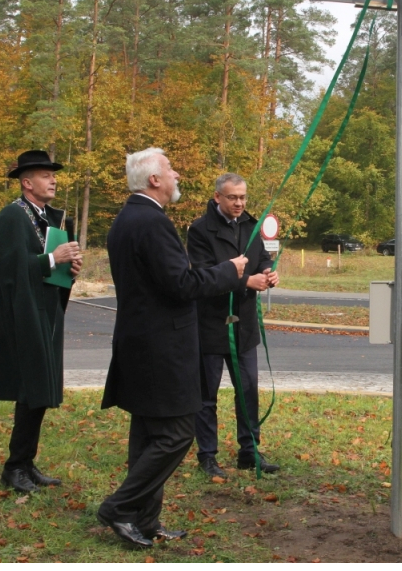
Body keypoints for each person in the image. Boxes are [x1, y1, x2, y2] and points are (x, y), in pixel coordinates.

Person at [98, 148, 248, 549]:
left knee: (148, 434)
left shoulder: (129, 218)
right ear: (153, 180)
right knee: (178, 433)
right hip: (160, 349)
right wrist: (228, 271)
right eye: (169, 169)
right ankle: (119, 508)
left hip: (141, 345)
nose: (176, 173)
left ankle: (146, 521)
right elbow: (181, 286)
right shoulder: (151, 222)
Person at [0, 150, 82, 494]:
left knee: (40, 389)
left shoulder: (44, 217)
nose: (53, 179)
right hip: (23, 314)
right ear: (27, 183)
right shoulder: (13, 216)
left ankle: (26, 462)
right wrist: (50, 259)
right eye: (45, 175)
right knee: (30, 389)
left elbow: (45, 265)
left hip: (45, 311)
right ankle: (14, 467)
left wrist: (66, 269)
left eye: (53, 175)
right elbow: (11, 270)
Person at [186, 173, 280, 478]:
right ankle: (207, 456)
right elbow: (202, 275)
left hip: (245, 326)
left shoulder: (251, 227)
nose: (238, 203)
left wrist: (268, 272)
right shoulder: (200, 231)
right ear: (217, 197)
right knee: (206, 395)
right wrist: (245, 281)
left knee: (248, 390)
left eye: (242, 197)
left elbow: (262, 259)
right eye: (232, 197)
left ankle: (249, 451)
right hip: (211, 325)